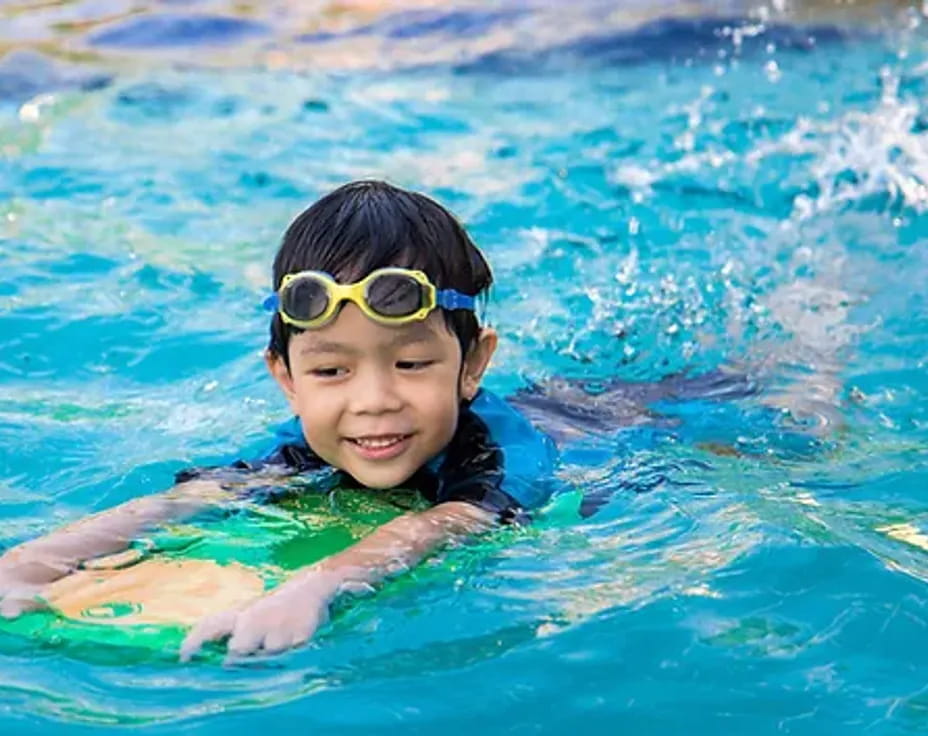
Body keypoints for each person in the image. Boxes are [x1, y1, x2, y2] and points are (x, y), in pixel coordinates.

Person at [0, 180, 559, 660]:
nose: (372, 400)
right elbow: (198, 497)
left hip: (609, 418)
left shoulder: (500, 451)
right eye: (332, 371)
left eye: (410, 363)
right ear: (287, 379)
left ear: (473, 365)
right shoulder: (314, 441)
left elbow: (449, 521)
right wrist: (33, 562)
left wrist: (317, 585)